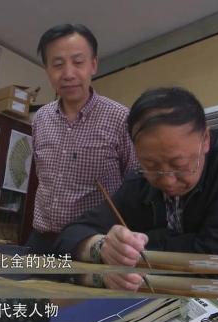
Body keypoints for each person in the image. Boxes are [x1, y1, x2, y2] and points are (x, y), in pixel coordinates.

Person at [56, 86, 218, 290]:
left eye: (179, 165)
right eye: (151, 165)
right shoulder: (139, 180)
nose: (167, 181)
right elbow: (69, 237)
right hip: (173, 299)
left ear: (205, 139)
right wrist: (102, 247)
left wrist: (141, 247)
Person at [28, 24, 137, 254]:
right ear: (47, 70)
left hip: (91, 243)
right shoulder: (40, 118)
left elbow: (134, 184)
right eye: (58, 64)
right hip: (41, 240)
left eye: (78, 62)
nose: (68, 74)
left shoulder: (120, 118)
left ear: (93, 65)